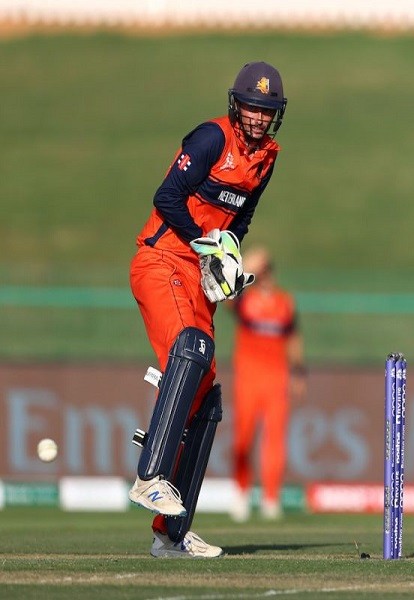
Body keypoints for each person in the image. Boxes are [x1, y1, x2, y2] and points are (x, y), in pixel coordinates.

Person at [127, 61, 287, 558]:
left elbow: (242, 219)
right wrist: (205, 246)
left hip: (196, 275)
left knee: (207, 399)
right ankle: (150, 472)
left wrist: (230, 259)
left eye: (267, 111)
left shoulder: (267, 157)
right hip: (161, 260)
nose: (258, 119)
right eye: (252, 108)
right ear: (236, 106)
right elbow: (167, 196)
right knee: (190, 348)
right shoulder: (209, 140)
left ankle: (170, 534)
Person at [229, 247, 306, 522]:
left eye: (266, 271)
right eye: (260, 273)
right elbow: (226, 296)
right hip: (248, 377)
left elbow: (293, 337)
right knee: (244, 438)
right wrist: (245, 266)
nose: (265, 278)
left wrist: (298, 371)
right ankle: (241, 493)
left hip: (276, 378)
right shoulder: (245, 300)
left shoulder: (285, 302)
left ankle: (271, 498)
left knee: (275, 441)